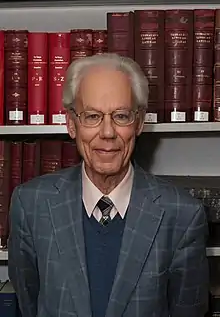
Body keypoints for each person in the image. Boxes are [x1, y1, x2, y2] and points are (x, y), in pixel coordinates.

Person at [8, 53, 209, 317]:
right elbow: (29, 303)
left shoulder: (182, 216)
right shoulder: (30, 206)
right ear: (71, 124)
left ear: (138, 123)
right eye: (92, 116)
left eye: (121, 116)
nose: (107, 133)